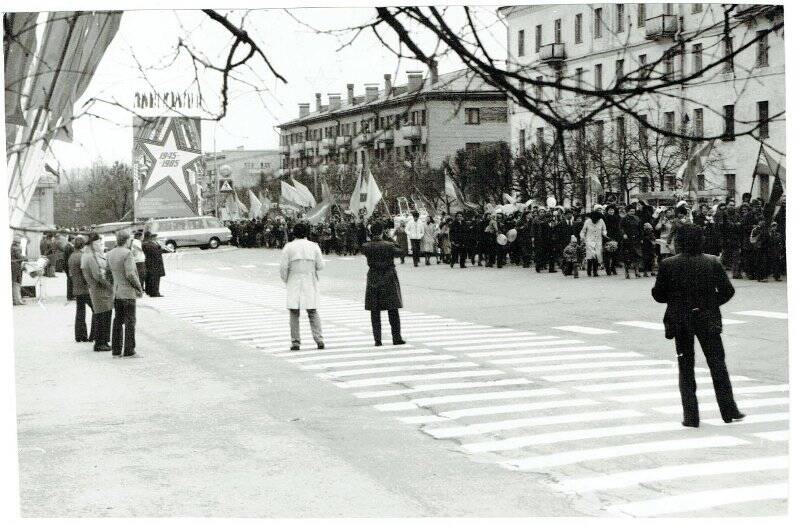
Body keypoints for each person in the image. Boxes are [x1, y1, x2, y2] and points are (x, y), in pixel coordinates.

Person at [652, 224, 745, 427]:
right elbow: (728, 291)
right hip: (708, 318)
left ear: (680, 242)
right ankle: (729, 410)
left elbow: (658, 295)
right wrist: (711, 304)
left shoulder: (668, 264)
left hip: (681, 320)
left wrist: (676, 300)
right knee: (718, 365)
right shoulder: (712, 262)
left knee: (686, 367)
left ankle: (691, 416)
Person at [280, 222, 325, 351]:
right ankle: (319, 339)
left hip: (294, 280)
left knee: (294, 312)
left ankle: (295, 342)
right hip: (310, 279)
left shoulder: (289, 247)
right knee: (312, 310)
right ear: (307, 233)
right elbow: (320, 266)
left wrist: (286, 279)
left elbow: (283, 268)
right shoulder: (314, 246)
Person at [361, 221, 405, 347]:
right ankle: (396, 337)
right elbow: (401, 251)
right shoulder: (389, 245)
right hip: (389, 276)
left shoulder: (366, 246)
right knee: (393, 309)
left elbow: (364, 246)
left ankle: (377, 339)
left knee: (375, 311)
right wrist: (389, 237)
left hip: (373, 277)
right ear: (382, 232)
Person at [106, 229, 144, 358]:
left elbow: (108, 274)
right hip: (127, 292)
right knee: (130, 321)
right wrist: (139, 287)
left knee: (118, 320)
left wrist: (113, 285)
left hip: (116, 292)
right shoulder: (127, 253)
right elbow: (130, 274)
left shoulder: (110, 253)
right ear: (127, 240)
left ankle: (116, 350)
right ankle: (129, 350)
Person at [81, 233, 114, 352]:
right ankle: (100, 343)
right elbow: (98, 275)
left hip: (99, 291)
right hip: (100, 291)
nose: (100, 245)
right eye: (98, 243)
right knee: (103, 317)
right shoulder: (90, 257)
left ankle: (103, 341)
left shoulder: (90, 255)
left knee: (103, 316)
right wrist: (110, 287)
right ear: (93, 244)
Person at [68, 236, 96, 342]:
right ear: (83, 245)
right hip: (85, 288)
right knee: (96, 310)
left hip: (76, 287)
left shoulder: (72, 256)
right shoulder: (82, 256)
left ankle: (80, 335)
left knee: (80, 311)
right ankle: (93, 335)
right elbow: (85, 273)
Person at [580, 207, 606, 277]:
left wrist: (604, 234)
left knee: (597, 255)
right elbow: (583, 231)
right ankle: (589, 270)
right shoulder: (587, 221)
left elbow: (604, 229)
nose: (595, 221)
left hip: (598, 240)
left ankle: (595, 271)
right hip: (589, 240)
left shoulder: (601, 221)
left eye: (596, 220)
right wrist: (582, 237)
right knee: (591, 256)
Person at [142, 232, 166, 296]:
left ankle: (150, 291)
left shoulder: (148, 243)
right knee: (155, 279)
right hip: (154, 264)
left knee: (151, 278)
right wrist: (162, 250)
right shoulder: (149, 244)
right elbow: (155, 253)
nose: (155, 238)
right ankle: (155, 292)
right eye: (154, 237)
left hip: (152, 263)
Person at [11, 236, 25, 306]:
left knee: (14, 283)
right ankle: (17, 300)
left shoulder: (12, 247)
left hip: (13, 267)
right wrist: (26, 258)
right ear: (18, 242)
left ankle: (15, 299)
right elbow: (20, 257)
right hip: (16, 267)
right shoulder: (16, 248)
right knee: (16, 283)